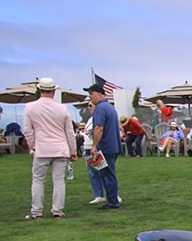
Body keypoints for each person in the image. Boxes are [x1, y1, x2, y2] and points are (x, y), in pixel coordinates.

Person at [22, 77, 77, 219]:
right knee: (58, 181)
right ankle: (57, 211)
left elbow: (27, 130)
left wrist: (32, 145)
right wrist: (73, 151)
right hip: (60, 148)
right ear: (54, 91)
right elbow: (69, 132)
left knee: (38, 180)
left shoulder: (30, 107)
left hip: (42, 149)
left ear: (40, 90)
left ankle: (37, 212)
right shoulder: (62, 108)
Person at [84, 81, 123, 209]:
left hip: (105, 146)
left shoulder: (100, 108)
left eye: (92, 94)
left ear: (100, 94)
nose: (90, 97)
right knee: (106, 173)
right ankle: (112, 198)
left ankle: (113, 201)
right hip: (113, 145)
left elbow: (99, 128)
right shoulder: (110, 107)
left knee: (107, 174)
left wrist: (94, 146)